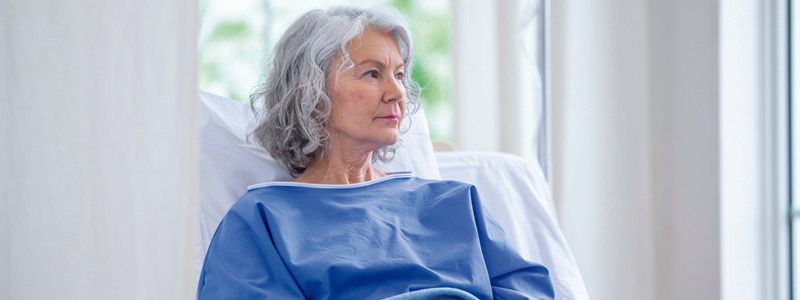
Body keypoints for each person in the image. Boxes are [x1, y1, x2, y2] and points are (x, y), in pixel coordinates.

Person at [197, 6, 555, 299]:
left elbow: (530, 291)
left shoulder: (455, 201)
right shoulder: (263, 220)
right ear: (310, 94)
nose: (398, 92)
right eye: (372, 73)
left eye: (399, 75)